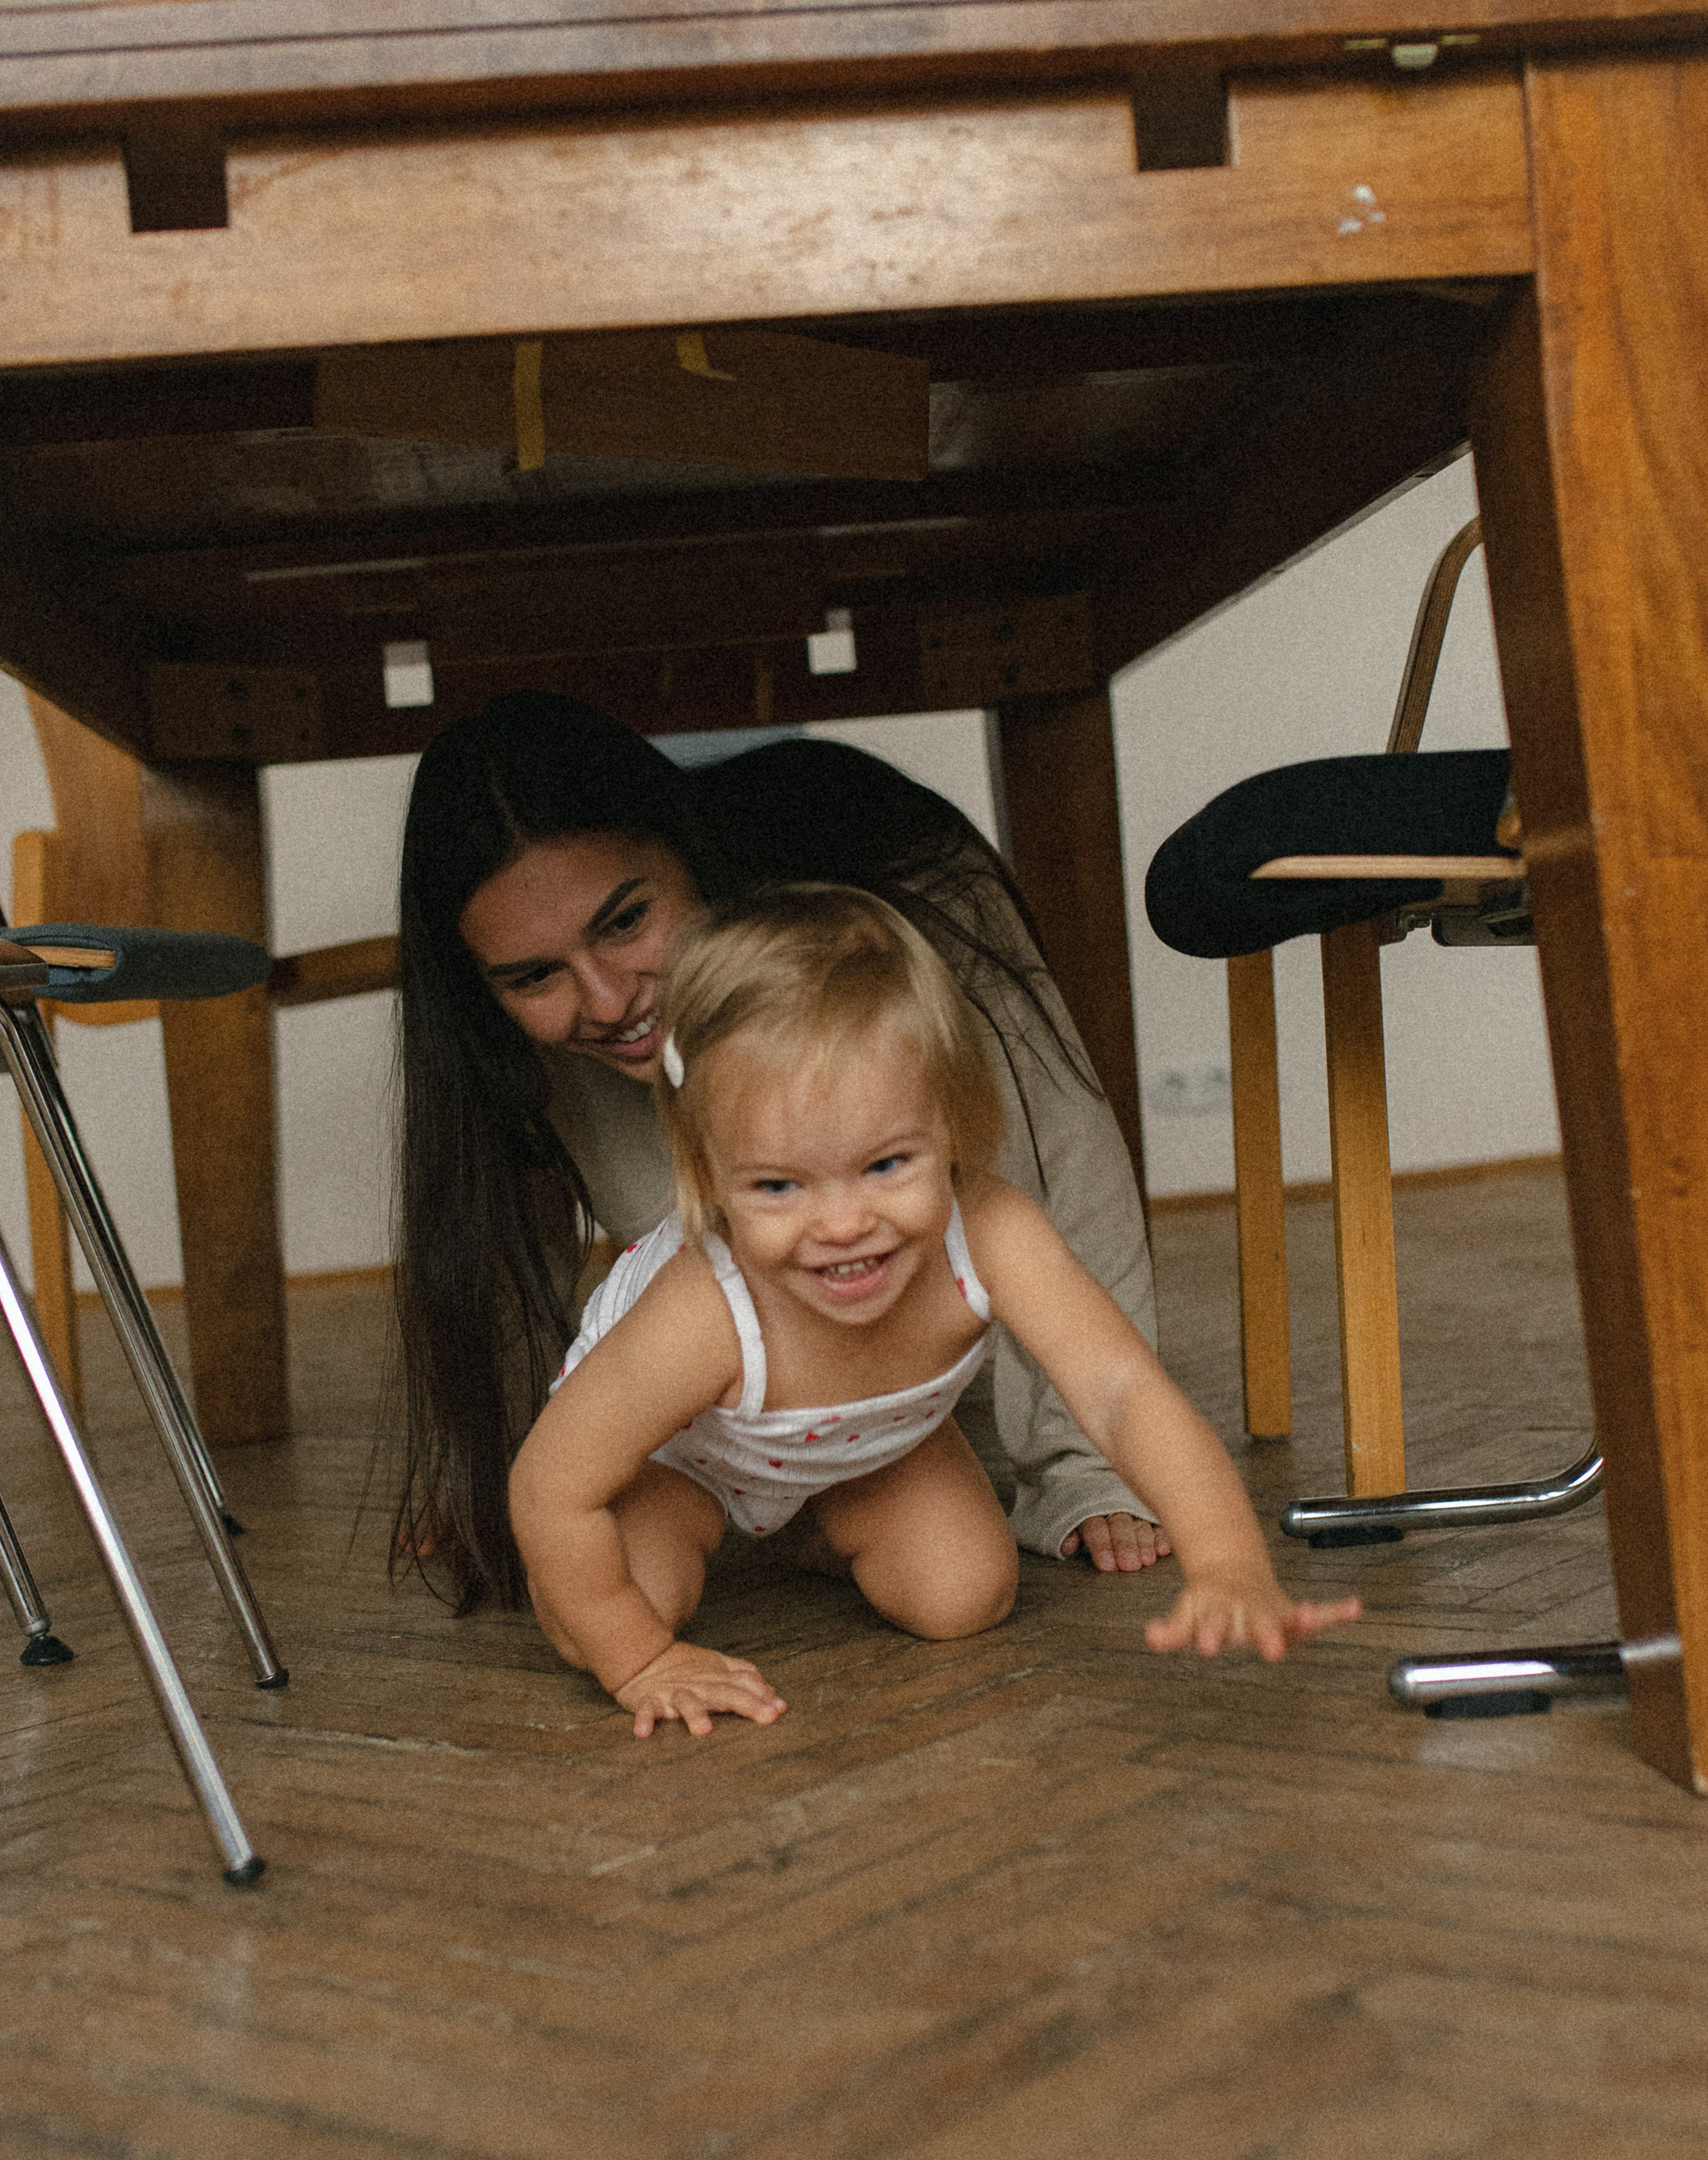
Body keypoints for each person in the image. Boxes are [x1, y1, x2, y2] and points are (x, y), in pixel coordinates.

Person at [509, 886, 1358, 1736]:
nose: (843, 1225)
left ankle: (815, 1520)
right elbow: (550, 1487)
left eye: (885, 1165)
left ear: (952, 1125)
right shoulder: (700, 1311)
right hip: (679, 1459)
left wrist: (1228, 1562)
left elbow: (1123, 1392)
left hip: (860, 1444)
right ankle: (696, 1560)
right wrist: (640, 1660)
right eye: (777, 1186)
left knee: (963, 1596)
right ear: (705, 1175)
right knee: (609, 1608)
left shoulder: (990, 1233)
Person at [395, 687, 1164, 1610]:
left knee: (959, 1589)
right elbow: (500, 1244)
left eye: (626, 921)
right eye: (533, 976)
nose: (605, 1000)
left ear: (687, 850)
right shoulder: (528, 1044)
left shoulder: (901, 893)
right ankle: (774, 1480)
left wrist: (1089, 1465)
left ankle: (851, 1469)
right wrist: (498, 1458)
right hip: (717, 1399)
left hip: (884, 1372)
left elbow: (1060, 1144)